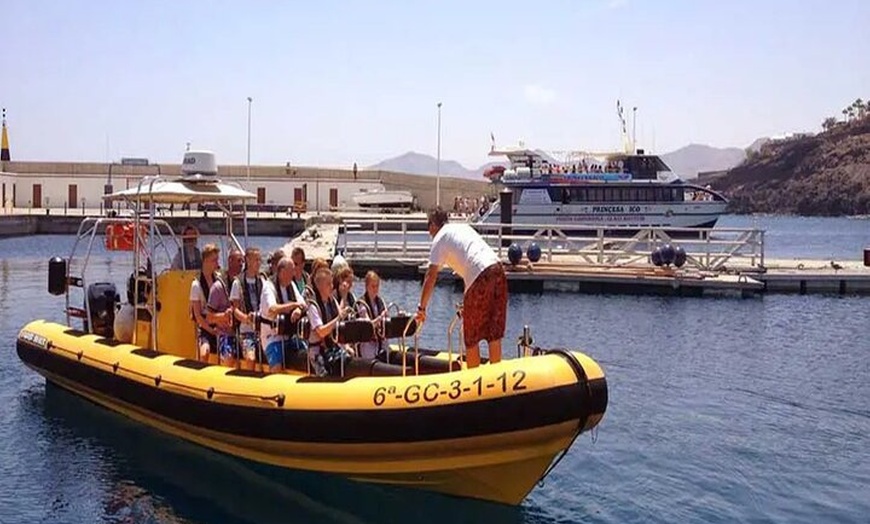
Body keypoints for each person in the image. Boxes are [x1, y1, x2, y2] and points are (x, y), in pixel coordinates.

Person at [416, 207, 507, 368]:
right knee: (494, 334)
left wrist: (421, 308)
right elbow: (471, 261)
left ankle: (474, 380)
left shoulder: (440, 239)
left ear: (432, 225)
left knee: (471, 336)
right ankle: (497, 378)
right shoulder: (462, 228)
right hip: (498, 270)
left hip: (479, 276)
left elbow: (430, 276)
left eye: (428, 226)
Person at [259, 257, 307, 374]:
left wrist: (298, 310)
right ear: (281, 272)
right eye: (291, 271)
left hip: (290, 336)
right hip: (272, 337)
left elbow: (302, 304)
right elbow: (272, 309)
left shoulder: (291, 285)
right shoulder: (268, 287)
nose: (294, 274)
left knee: (307, 352)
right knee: (277, 365)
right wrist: (292, 305)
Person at [307, 267, 354, 376]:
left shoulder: (332, 300)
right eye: (329, 284)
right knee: (325, 371)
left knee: (348, 357)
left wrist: (346, 346)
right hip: (318, 351)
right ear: (320, 286)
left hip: (333, 347)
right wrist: (338, 318)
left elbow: (339, 319)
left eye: (331, 283)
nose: (332, 286)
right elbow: (321, 332)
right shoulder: (313, 306)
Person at [206, 248, 244, 367]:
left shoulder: (244, 284)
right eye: (238, 261)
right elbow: (209, 317)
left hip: (243, 332)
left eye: (242, 261)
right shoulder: (218, 287)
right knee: (228, 355)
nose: (241, 264)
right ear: (230, 261)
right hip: (226, 333)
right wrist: (224, 316)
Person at [229, 247, 264, 371]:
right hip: (246, 332)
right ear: (248, 260)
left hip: (262, 330)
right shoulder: (237, 283)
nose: (259, 263)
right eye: (256, 260)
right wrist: (246, 319)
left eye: (260, 260)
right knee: (250, 358)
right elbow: (235, 309)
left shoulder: (262, 281)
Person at [190, 243, 221, 363]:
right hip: (204, 327)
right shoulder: (196, 285)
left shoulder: (219, 280)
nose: (217, 264)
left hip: (219, 322)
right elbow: (197, 316)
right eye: (214, 260)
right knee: (205, 352)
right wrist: (211, 331)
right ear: (205, 261)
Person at [356, 270, 388, 359]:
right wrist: (380, 318)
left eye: (377, 286)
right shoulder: (362, 303)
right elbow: (368, 325)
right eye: (373, 286)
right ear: (366, 287)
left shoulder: (381, 301)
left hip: (379, 339)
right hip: (367, 342)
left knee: (386, 346)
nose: (375, 289)